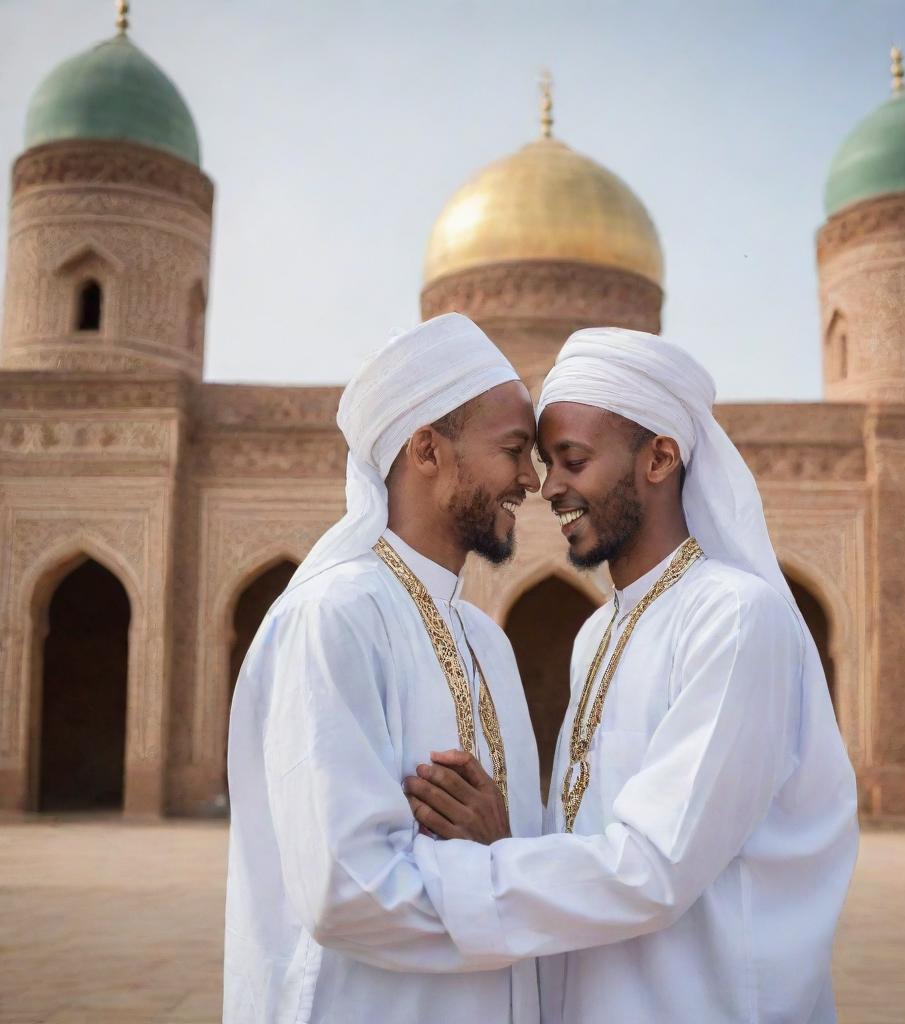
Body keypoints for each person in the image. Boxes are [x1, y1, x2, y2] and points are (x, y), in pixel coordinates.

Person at [405, 327, 860, 1023]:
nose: (548, 488)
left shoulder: (734, 618)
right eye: (543, 461)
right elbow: (598, 837)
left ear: (660, 458)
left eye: (573, 461)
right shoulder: (601, 631)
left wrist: (492, 859)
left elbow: (656, 868)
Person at [223, 313, 543, 1024]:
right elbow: (345, 891)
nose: (532, 478)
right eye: (514, 449)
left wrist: (504, 857)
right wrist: (508, 870)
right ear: (428, 449)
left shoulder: (487, 642)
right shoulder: (333, 617)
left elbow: (512, 845)